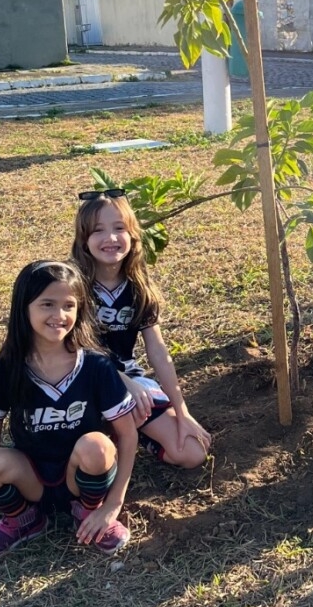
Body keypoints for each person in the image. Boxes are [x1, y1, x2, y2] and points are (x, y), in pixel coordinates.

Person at [0, 261, 138, 563]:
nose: (59, 316)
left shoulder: (96, 366)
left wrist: (112, 506)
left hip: (80, 475)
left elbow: (127, 435)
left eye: (69, 305)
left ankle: (89, 510)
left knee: (97, 445)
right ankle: (23, 520)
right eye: (47, 304)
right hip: (31, 479)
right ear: (24, 307)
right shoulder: (5, 369)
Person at [71, 188, 211, 468]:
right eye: (98, 230)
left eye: (119, 228)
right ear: (83, 239)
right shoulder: (72, 285)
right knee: (94, 456)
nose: (110, 238)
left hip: (130, 381)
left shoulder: (139, 287)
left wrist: (182, 413)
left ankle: (132, 435)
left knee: (192, 453)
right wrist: (124, 383)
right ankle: (108, 435)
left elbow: (157, 351)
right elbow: (73, 349)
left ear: (133, 234)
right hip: (80, 382)